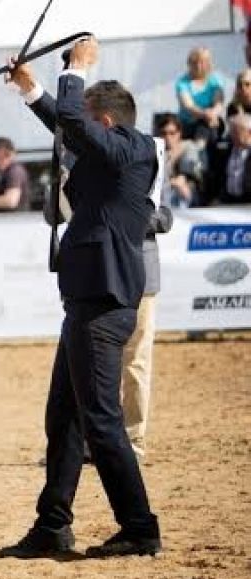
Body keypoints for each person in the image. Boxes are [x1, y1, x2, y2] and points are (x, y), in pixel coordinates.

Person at [2, 37, 161, 559]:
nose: (80, 133)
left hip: (104, 301)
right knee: (65, 416)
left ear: (107, 124)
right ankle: (53, 525)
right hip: (87, 302)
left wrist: (76, 69)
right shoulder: (111, 151)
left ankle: (139, 528)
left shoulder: (133, 150)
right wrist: (32, 89)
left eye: (90, 124)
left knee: (99, 420)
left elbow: (74, 121)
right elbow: (67, 122)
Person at [121, 141, 173, 461]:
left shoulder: (152, 160)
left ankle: (133, 439)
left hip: (142, 275)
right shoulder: (87, 158)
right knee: (98, 363)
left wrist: (127, 217)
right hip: (101, 273)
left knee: (136, 359)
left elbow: (165, 218)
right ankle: (98, 437)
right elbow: (51, 213)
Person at [175, 46, 225, 145]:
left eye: (202, 62)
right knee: (205, 126)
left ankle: (200, 149)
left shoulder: (215, 80)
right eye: (194, 62)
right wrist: (206, 114)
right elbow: (188, 106)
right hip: (189, 123)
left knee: (206, 126)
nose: (198, 65)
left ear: (209, 63)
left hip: (211, 121)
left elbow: (219, 103)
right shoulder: (182, 82)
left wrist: (212, 114)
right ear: (189, 64)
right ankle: (200, 149)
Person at [156, 114, 204, 208]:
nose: (168, 137)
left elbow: (186, 175)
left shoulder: (188, 147)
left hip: (188, 193)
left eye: (172, 133)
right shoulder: (157, 151)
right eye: (164, 133)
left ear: (179, 133)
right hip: (164, 194)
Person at [218, 113, 251, 203]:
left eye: (236, 131)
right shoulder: (226, 150)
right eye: (231, 131)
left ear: (249, 132)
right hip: (229, 201)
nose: (231, 135)